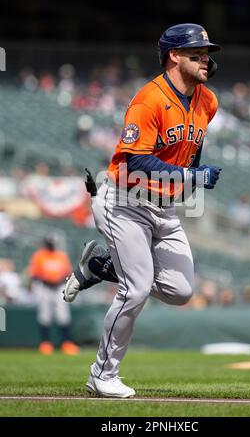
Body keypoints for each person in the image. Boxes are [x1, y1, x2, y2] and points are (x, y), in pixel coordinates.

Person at [63, 23, 222, 397]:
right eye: (197, 53)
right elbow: (135, 162)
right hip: (125, 201)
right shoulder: (149, 99)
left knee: (181, 291)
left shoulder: (207, 101)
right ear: (174, 56)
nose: (206, 59)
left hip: (163, 208)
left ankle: (100, 266)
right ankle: (101, 374)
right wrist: (191, 175)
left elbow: (191, 146)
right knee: (135, 288)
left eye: (207, 53)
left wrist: (187, 177)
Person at [28, 235, 79, 355]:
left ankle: (66, 343)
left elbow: (67, 272)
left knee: (63, 315)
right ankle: (45, 344)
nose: (51, 245)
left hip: (59, 287)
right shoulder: (39, 256)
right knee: (44, 315)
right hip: (45, 287)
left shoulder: (61, 255)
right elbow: (34, 274)